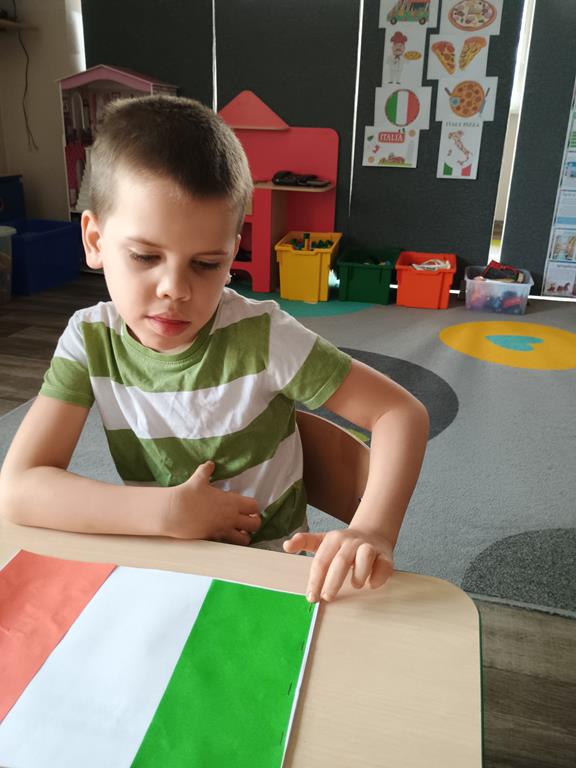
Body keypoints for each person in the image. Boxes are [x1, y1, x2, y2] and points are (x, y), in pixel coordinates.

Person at [0, 95, 429, 602]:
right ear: (94, 240)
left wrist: (373, 529)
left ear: (232, 253)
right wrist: (168, 513)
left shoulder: (262, 336)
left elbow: (400, 412)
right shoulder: (90, 339)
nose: (174, 289)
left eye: (205, 264)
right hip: (163, 564)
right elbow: (19, 489)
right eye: (145, 256)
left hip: (272, 576)